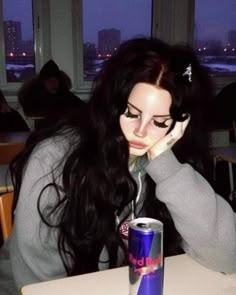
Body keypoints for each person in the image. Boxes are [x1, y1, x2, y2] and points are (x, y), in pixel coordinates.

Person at [0, 37, 235, 294]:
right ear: (113, 103)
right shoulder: (54, 158)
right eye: (132, 113)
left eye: (159, 121)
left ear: (180, 125)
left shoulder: (170, 159)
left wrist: (165, 163)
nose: (141, 131)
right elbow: (37, 280)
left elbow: (228, 256)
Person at [17, 60, 85, 129]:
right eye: (48, 81)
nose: (52, 84)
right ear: (42, 82)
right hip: (43, 131)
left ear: (59, 81)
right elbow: (30, 110)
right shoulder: (33, 95)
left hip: (64, 130)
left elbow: (82, 107)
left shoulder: (64, 93)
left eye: (55, 80)